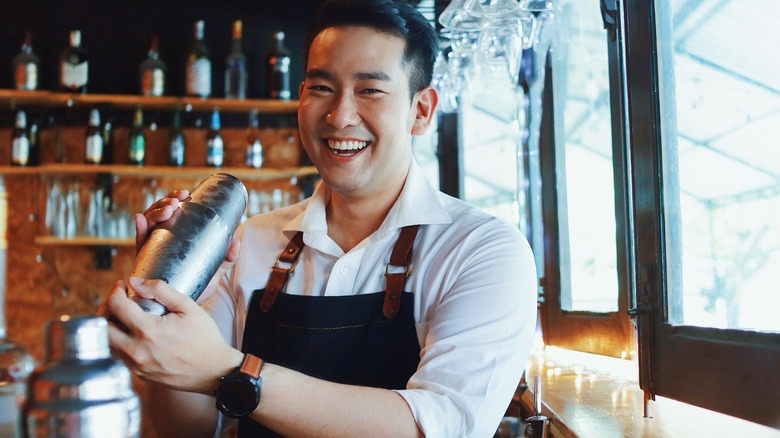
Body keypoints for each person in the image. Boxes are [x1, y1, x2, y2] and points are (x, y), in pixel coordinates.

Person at [103, 0, 538, 436]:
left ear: (420, 111)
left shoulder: (482, 251)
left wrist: (236, 374)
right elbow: (190, 430)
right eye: (321, 88)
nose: (340, 116)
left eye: (370, 90)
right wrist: (165, 303)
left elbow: (439, 428)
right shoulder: (248, 243)